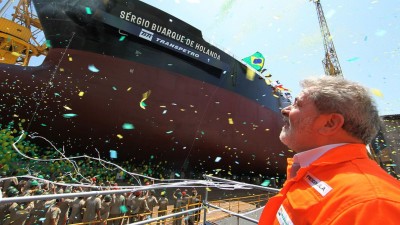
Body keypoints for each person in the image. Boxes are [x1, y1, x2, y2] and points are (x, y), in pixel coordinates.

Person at [258, 76, 400, 224]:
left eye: (297, 104)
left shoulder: (374, 205)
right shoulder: (310, 171)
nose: (284, 110)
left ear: (330, 123)